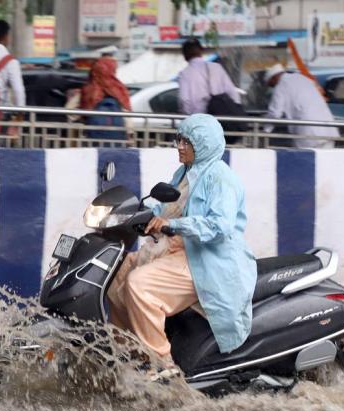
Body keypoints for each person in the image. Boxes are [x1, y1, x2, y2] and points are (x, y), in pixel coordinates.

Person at [107, 114, 257, 377]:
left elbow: (218, 226)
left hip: (205, 260)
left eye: (187, 141)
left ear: (205, 144)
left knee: (139, 285)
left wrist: (173, 225)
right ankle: (129, 351)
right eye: (179, 140)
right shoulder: (186, 173)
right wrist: (137, 213)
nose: (179, 146)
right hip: (175, 250)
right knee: (114, 276)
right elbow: (166, 206)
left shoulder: (221, 178)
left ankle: (161, 365)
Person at [263, 64, 339, 149]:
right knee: (325, 160)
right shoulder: (302, 78)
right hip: (328, 128)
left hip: (309, 133)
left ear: (273, 78)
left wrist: (265, 130)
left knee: (306, 159)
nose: (272, 87)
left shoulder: (281, 85)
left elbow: (275, 113)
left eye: (271, 84)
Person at [177, 38, 240, 116]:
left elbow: (185, 100)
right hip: (222, 117)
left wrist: (189, 117)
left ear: (185, 56)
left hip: (201, 118)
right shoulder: (216, 67)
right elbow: (232, 92)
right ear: (201, 52)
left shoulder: (184, 74)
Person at [79, 57, 130, 142]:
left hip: (94, 138)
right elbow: (127, 115)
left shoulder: (88, 89)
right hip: (118, 139)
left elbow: (72, 114)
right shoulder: (120, 89)